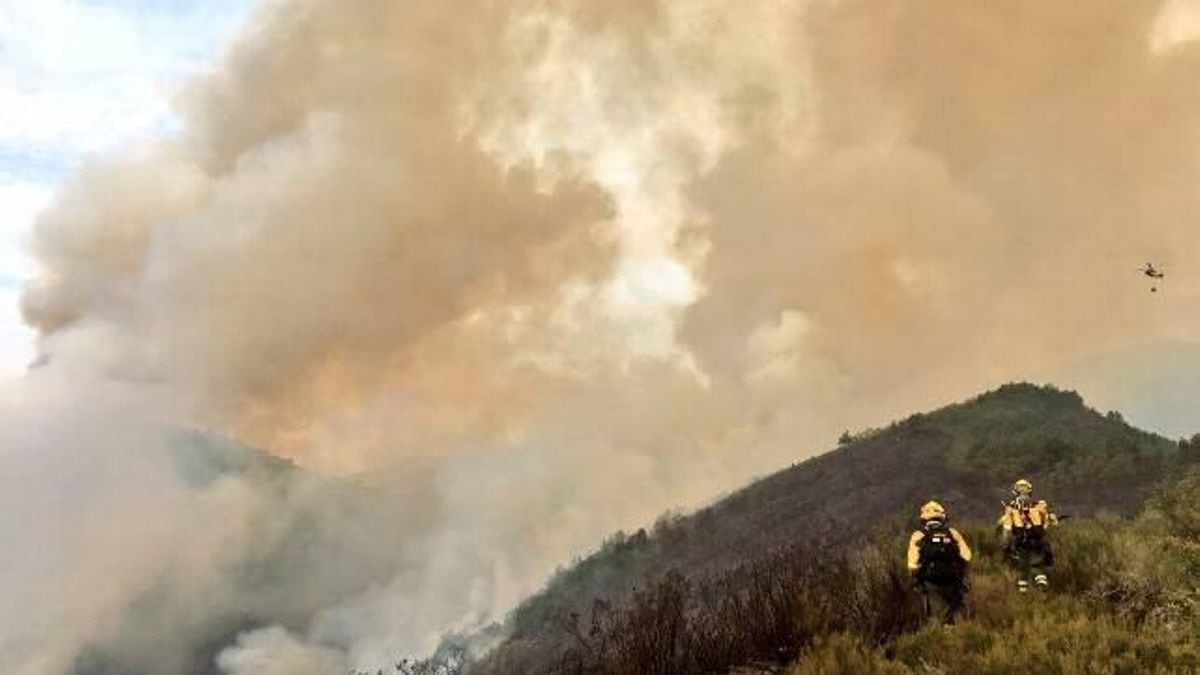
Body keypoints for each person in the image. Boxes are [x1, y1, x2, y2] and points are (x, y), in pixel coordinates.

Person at [907, 500, 972, 625]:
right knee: (956, 613)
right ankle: (960, 637)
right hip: (953, 580)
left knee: (936, 616)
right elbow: (967, 556)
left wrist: (916, 580)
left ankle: (940, 639)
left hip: (931, 582)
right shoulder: (953, 533)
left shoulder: (918, 535)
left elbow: (912, 564)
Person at [1000, 478, 1058, 592]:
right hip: (1038, 539)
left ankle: (1024, 593)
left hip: (1020, 541)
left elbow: (1006, 529)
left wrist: (1005, 545)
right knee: (1038, 564)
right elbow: (1051, 521)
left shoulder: (1010, 509)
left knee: (1023, 567)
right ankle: (1041, 585)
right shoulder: (1039, 505)